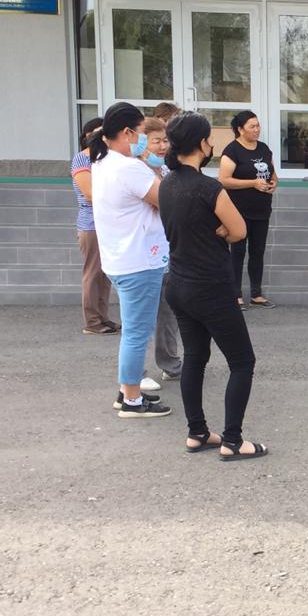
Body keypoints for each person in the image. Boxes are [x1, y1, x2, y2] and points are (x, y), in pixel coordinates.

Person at [158, 112, 267, 461]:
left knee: (195, 356)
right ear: (201, 144)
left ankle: (197, 432)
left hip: (178, 283)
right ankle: (233, 440)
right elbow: (239, 231)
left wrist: (213, 230)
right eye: (209, 138)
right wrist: (218, 231)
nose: (212, 144)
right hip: (211, 286)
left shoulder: (166, 184)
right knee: (242, 361)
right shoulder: (209, 188)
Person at [89, 101, 171, 418]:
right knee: (137, 334)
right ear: (126, 133)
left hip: (121, 258)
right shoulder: (129, 168)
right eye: (141, 133)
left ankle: (127, 390)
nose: (144, 140)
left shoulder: (103, 162)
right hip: (139, 261)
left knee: (133, 332)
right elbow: (166, 200)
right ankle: (132, 400)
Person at [219, 110, 276, 309]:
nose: (257, 129)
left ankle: (256, 294)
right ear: (240, 129)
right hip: (238, 211)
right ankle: (236, 295)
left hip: (262, 210)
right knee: (238, 252)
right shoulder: (232, 150)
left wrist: (273, 184)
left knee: (257, 252)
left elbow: (272, 173)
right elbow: (224, 180)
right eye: (252, 126)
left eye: (258, 125)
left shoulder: (264, 148)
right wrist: (252, 183)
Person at [141, 118, 183, 384]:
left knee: (168, 311)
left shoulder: (167, 169)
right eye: (155, 141)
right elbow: (165, 203)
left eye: (165, 140)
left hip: (167, 249)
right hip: (142, 254)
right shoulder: (137, 171)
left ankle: (170, 363)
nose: (162, 146)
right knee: (141, 318)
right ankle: (135, 374)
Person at [70, 116, 118, 336]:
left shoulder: (106, 159)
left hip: (108, 223)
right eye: (96, 133)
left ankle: (103, 317)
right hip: (91, 225)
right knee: (93, 272)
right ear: (87, 136)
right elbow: (89, 194)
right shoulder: (82, 159)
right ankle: (92, 321)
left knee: (105, 274)